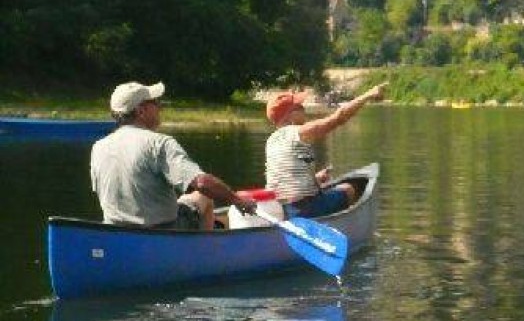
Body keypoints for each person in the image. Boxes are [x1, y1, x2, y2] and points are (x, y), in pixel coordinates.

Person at [90, 81, 256, 230]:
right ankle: (206, 251)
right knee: (203, 195)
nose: (160, 107)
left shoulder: (98, 147)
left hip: (115, 232)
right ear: (141, 111)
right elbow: (202, 182)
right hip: (163, 232)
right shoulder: (159, 143)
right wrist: (237, 200)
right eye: (155, 102)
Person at [264, 83, 387, 218]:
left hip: (281, 209)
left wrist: (315, 178)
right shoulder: (299, 132)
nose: (303, 108)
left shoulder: (272, 141)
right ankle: (344, 224)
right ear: (289, 116)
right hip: (303, 209)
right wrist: (368, 95)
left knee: (325, 191)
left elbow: (286, 180)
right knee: (349, 189)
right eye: (299, 107)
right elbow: (339, 117)